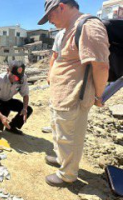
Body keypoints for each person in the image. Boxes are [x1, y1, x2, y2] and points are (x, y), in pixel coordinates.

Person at [38, 0, 110, 186]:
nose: (49, 21)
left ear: (61, 6)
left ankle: (67, 175)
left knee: (70, 137)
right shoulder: (66, 30)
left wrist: (98, 96)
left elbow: (101, 66)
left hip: (74, 97)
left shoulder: (88, 26)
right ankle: (62, 159)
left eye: (50, 16)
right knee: (59, 132)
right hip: (61, 94)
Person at [0, 61, 33, 138]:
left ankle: (12, 126)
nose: (16, 79)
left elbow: (25, 95)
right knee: (4, 108)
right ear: (8, 71)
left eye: (19, 77)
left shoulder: (22, 78)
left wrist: (24, 108)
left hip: (8, 99)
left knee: (28, 109)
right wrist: (1, 116)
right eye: (15, 76)